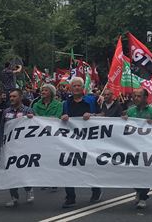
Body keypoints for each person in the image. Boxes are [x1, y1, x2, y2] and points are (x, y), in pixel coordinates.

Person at [61, 77, 101, 208]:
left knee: (90, 166)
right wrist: (62, 118)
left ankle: (96, 190)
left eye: (79, 86)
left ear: (82, 87)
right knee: (68, 167)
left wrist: (92, 116)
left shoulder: (92, 100)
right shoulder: (65, 103)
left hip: (89, 140)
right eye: (74, 86)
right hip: (71, 140)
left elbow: (104, 115)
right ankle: (70, 197)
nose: (76, 88)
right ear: (71, 88)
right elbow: (59, 120)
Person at [123, 88, 152, 209]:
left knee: (145, 173)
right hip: (132, 147)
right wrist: (123, 120)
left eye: (139, 96)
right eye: (134, 96)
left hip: (147, 148)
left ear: (145, 98)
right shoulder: (130, 111)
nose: (136, 98)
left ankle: (143, 196)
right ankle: (138, 190)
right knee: (132, 173)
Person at [0, 89, 35, 207]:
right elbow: (2, 128)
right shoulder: (6, 112)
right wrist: (0, 144)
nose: (11, 98)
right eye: (10, 96)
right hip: (10, 146)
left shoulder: (28, 110)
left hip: (24, 146)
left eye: (14, 96)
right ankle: (14, 196)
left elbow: (36, 126)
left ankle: (28, 190)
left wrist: (32, 118)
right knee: (10, 171)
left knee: (23, 169)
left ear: (20, 97)